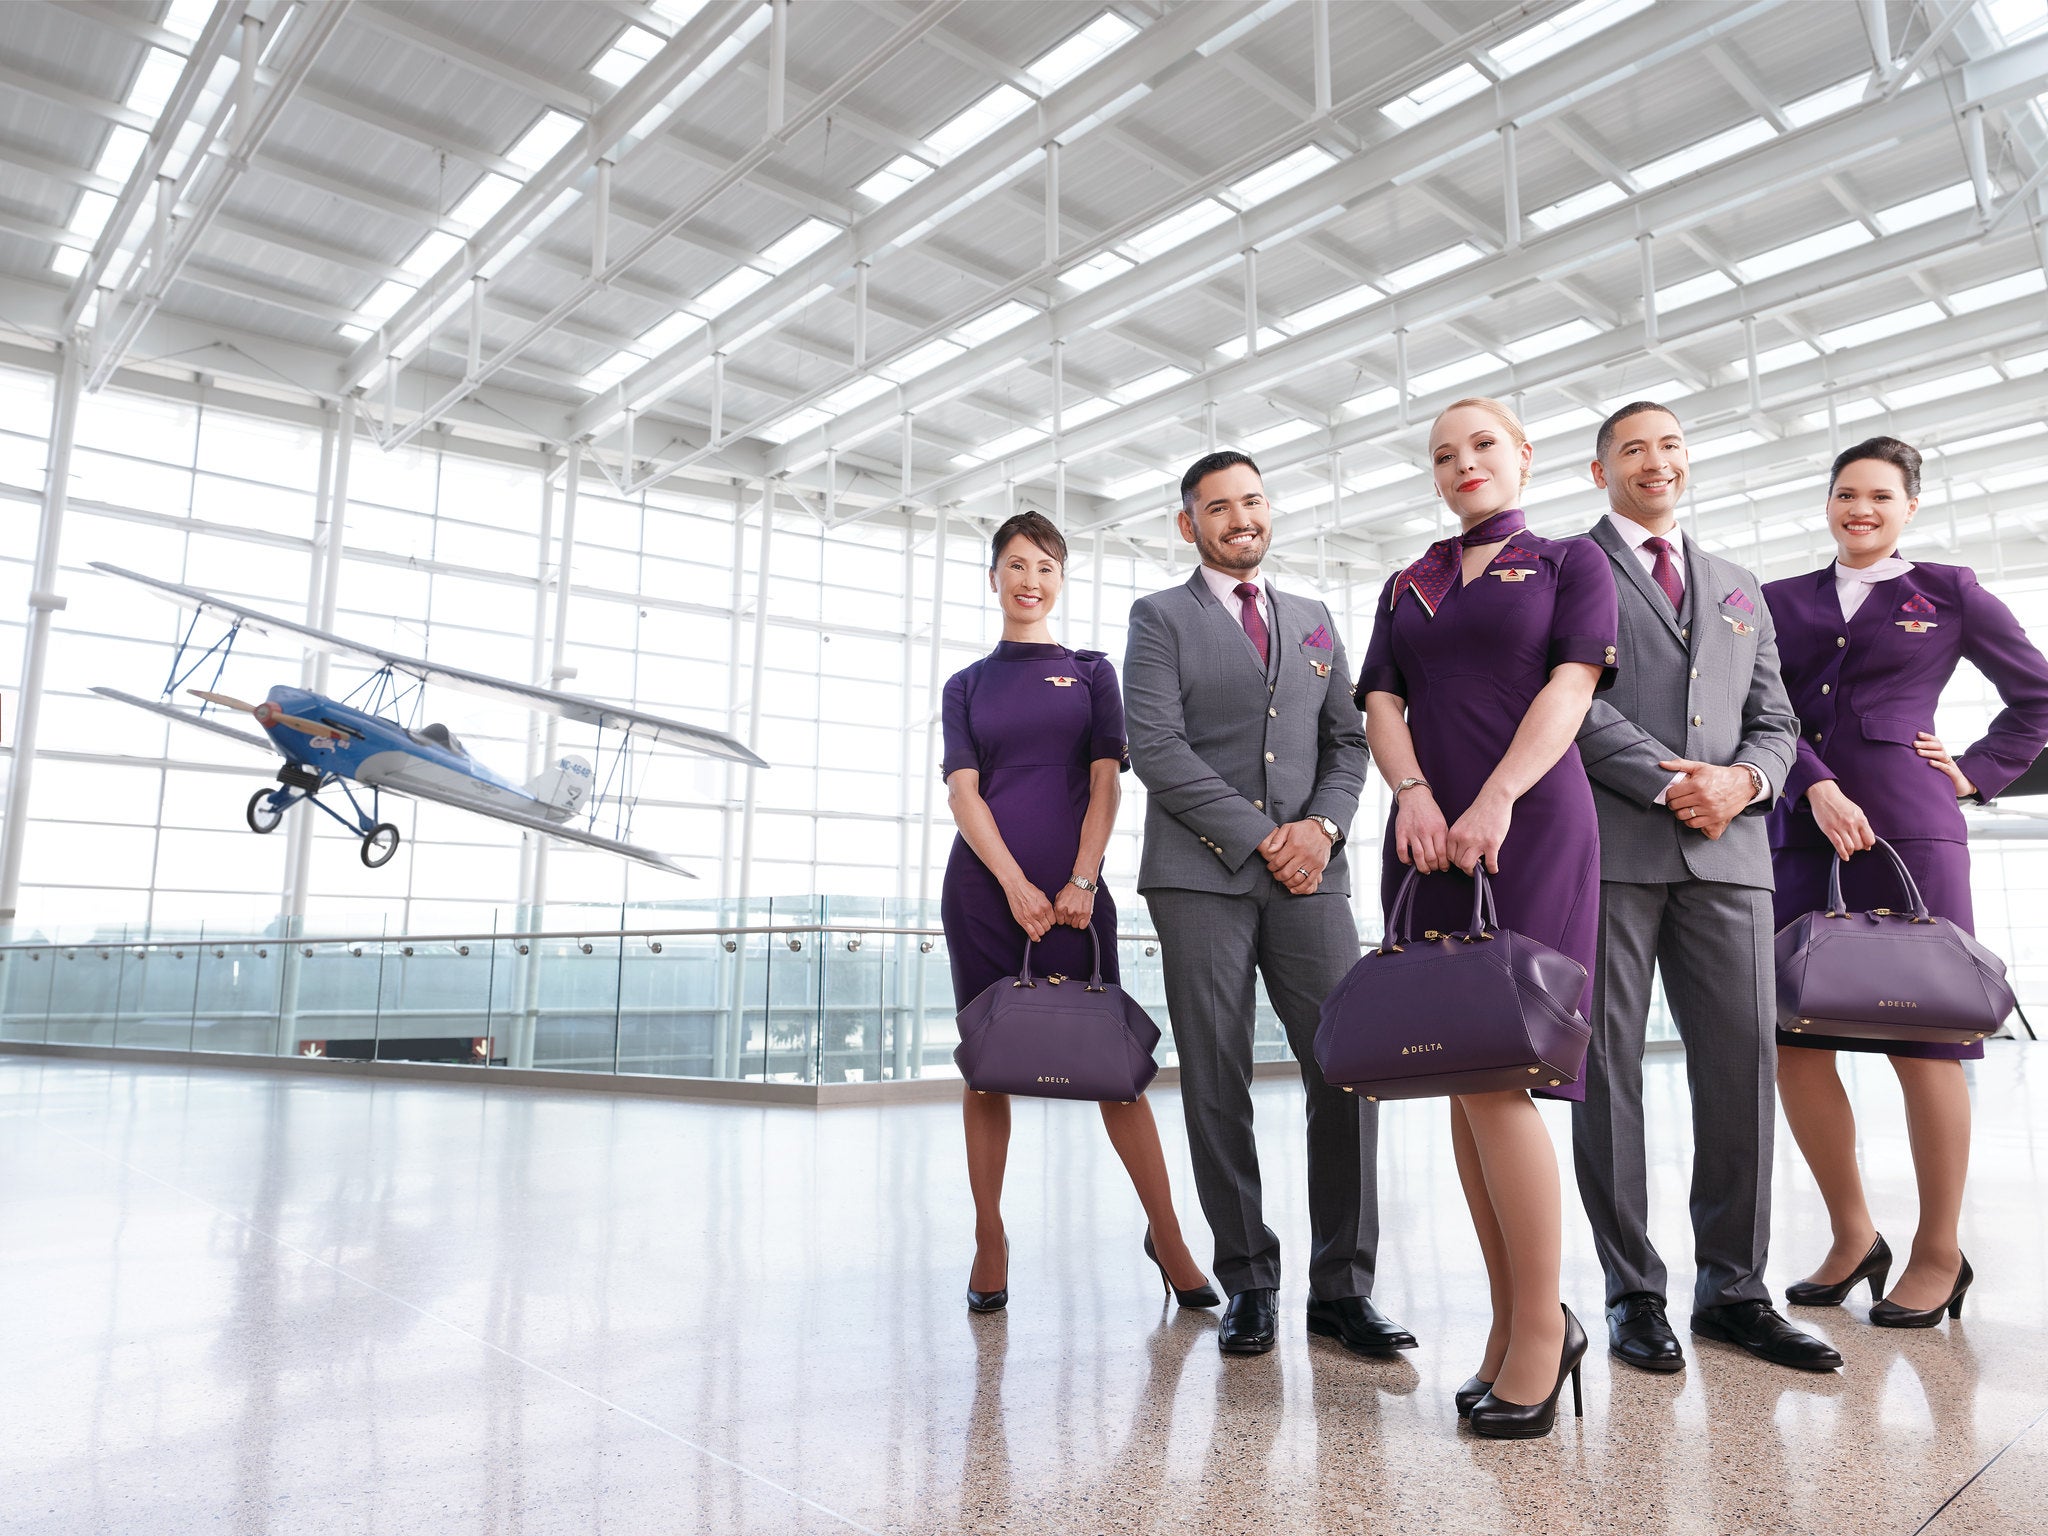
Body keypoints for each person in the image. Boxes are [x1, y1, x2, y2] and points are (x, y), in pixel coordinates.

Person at [1357, 398, 1613, 1437]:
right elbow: (1379, 700)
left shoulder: (1564, 563)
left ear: (1522, 456)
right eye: (1442, 454)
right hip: (1423, 834)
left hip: (1529, 822)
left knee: (1502, 1070)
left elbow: (1571, 685)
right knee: (1456, 1076)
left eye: (1482, 446)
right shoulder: (1406, 581)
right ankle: (1518, 1321)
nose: (1462, 463)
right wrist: (1411, 791)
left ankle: (1542, 1337)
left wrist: (1496, 795)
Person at [1571, 402, 1842, 1373]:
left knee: (1737, 1071)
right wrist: (1670, 781)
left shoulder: (1735, 587)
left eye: (1670, 445)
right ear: (1598, 468)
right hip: (1610, 851)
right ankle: (1630, 1291)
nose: (1656, 460)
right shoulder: (1569, 572)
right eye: (1633, 447)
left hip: (1730, 858)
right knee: (1602, 1076)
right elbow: (1567, 701)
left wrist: (1743, 782)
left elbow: (1775, 718)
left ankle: (1733, 1290)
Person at [1124, 450, 1413, 1360]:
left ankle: (1343, 1288)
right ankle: (1248, 1277)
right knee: (1217, 1076)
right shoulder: (1159, 618)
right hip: (1201, 878)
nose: (1240, 518)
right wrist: (1262, 836)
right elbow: (1157, 748)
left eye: (1252, 501)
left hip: (1312, 878)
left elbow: (1349, 743)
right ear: (1189, 524)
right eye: (1218, 507)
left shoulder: (1315, 619)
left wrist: (1322, 830)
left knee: (1349, 1067)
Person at [1764, 436, 2048, 1328]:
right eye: (1848, 493)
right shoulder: (1776, 602)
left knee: (1926, 1040)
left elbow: (2039, 696)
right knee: (1792, 1036)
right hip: (1801, 831)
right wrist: (1814, 780)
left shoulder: (1951, 593)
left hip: (1915, 827)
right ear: (1828, 503)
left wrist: (1975, 771)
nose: (1862, 509)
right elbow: (1758, 708)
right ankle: (1854, 1237)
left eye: (1881, 496)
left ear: (1909, 507)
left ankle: (1939, 1250)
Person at [941, 510, 1216, 1315]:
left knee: (1115, 1071)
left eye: (1047, 568)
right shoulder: (966, 685)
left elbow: (1107, 781)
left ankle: (1167, 1235)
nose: (1031, 580)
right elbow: (964, 793)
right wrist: (1014, 885)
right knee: (985, 1068)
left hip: (1075, 895)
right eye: (1017, 565)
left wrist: (1082, 880)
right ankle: (990, 1237)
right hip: (987, 895)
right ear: (993, 578)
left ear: (1061, 581)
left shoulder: (1093, 671)